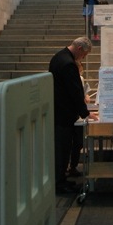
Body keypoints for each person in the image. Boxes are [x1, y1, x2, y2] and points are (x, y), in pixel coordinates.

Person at [48, 36, 98, 194]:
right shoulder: (69, 64)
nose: (83, 58)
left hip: (58, 110)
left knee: (61, 149)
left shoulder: (58, 56)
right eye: (84, 55)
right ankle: (59, 183)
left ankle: (60, 179)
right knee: (62, 149)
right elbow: (75, 91)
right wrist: (86, 113)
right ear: (80, 49)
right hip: (64, 113)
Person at [67, 60, 91, 178]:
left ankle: (73, 166)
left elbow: (82, 92)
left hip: (77, 113)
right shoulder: (73, 78)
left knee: (78, 141)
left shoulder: (80, 78)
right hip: (72, 113)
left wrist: (85, 95)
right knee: (75, 141)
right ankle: (71, 167)